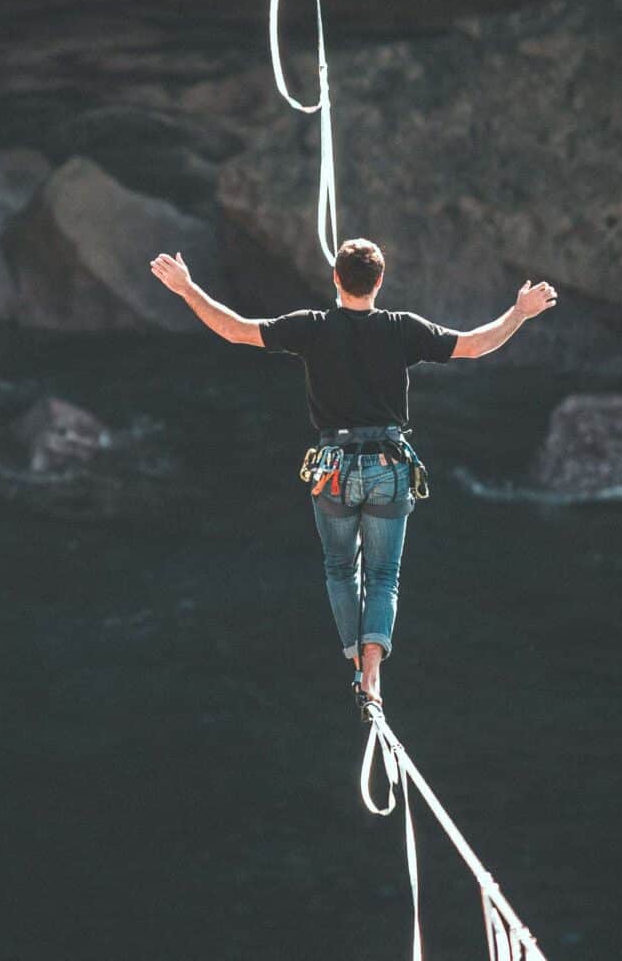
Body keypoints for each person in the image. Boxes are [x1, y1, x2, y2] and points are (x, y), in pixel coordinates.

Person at [148, 238, 556, 708]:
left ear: (335, 279)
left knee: (342, 569)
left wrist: (187, 288)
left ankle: (356, 662)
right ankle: (373, 673)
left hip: (334, 468)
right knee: (384, 577)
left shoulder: (312, 328)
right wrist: (520, 311)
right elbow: (475, 345)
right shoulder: (404, 328)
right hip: (388, 464)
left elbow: (236, 329)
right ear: (380, 281)